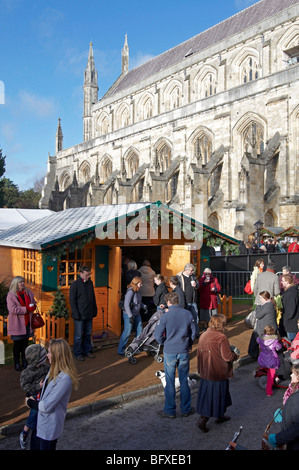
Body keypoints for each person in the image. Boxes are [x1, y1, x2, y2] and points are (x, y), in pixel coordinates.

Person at [25, 338, 78, 451]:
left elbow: (46, 406)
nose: (47, 355)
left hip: (48, 428)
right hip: (40, 424)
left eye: (49, 352)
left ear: (57, 355)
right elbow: (45, 392)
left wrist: (30, 403)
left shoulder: (65, 379)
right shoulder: (52, 369)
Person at [154, 292, 196, 418]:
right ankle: (185, 409)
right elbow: (193, 332)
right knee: (184, 380)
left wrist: (165, 343)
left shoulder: (166, 316)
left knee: (170, 381)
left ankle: (170, 410)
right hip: (183, 349)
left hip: (170, 350)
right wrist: (189, 344)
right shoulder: (188, 314)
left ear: (168, 302)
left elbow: (157, 335)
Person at [196, 314, 239, 433]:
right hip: (217, 372)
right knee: (215, 396)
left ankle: (220, 415)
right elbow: (227, 357)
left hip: (206, 371)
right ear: (221, 324)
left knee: (215, 395)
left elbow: (199, 355)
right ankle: (203, 420)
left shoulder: (203, 335)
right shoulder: (221, 337)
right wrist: (235, 355)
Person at [19, 344, 50, 450]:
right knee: (35, 412)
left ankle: (28, 431)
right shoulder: (27, 372)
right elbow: (25, 386)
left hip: (43, 394)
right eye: (43, 356)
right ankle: (25, 432)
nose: (46, 357)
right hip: (34, 394)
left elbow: (51, 371)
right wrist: (38, 386)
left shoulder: (44, 366)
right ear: (37, 360)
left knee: (39, 413)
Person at [6, 276, 36, 371]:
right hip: (17, 324)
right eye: (20, 282)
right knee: (17, 345)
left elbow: (34, 302)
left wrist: (33, 306)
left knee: (25, 344)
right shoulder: (11, 295)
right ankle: (16, 363)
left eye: (23, 282)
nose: (22, 284)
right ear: (16, 284)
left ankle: (24, 361)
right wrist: (26, 309)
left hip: (27, 323)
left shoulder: (28, 293)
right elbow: (13, 309)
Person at [69, 265, 98, 361]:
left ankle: (87, 350)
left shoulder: (90, 283)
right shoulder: (75, 285)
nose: (88, 277)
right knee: (78, 336)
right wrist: (75, 313)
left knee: (87, 334)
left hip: (89, 313)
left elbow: (93, 297)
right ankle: (77, 353)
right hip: (79, 314)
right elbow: (72, 300)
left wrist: (95, 309)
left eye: (89, 275)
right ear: (80, 274)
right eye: (86, 275)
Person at [268, 363, 299, 450]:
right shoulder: (294, 389)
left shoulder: (297, 396)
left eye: (294, 373)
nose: (291, 375)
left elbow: (297, 428)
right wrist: (285, 412)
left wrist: (278, 438)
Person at [117, 277, 146, 356]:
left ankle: (135, 347)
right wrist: (130, 316)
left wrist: (144, 306)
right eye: (140, 284)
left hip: (137, 313)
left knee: (140, 330)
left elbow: (138, 302)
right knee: (127, 331)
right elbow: (126, 304)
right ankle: (120, 350)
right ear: (136, 283)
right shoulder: (130, 291)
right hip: (128, 314)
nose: (141, 285)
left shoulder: (138, 291)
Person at [248, 290, 278, 360]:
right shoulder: (269, 305)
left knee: (256, 336)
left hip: (266, 329)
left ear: (265, 299)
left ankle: (254, 354)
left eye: (261, 298)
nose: (260, 300)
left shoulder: (267, 306)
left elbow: (258, 315)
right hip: (267, 328)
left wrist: (258, 306)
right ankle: (255, 354)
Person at [257, 325, 282, 397]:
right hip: (271, 359)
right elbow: (278, 348)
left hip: (263, 358)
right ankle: (269, 392)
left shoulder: (260, 339)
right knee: (270, 376)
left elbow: (257, 340)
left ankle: (276, 377)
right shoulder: (274, 340)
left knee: (268, 371)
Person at [176, 263, 199, 337]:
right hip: (184, 302)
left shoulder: (193, 277)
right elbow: (177, 289)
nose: (192, 272)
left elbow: (198, 286)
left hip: (193, 301)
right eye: (191, 271)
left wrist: (196, 285)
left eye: (193, 271)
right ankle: (186, 334)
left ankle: (195, 333)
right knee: (185, 319)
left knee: (195, 318)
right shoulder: (179, 277)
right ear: (186, 270)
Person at [281, 274, 299, 341]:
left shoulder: (291, 293)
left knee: (292, 343)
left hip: (291, 324)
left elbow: (291, 310)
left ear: (287, 282)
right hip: (290, 323)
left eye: (283, 281)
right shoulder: (290, 291)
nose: (281, 282)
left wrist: (286, 318)